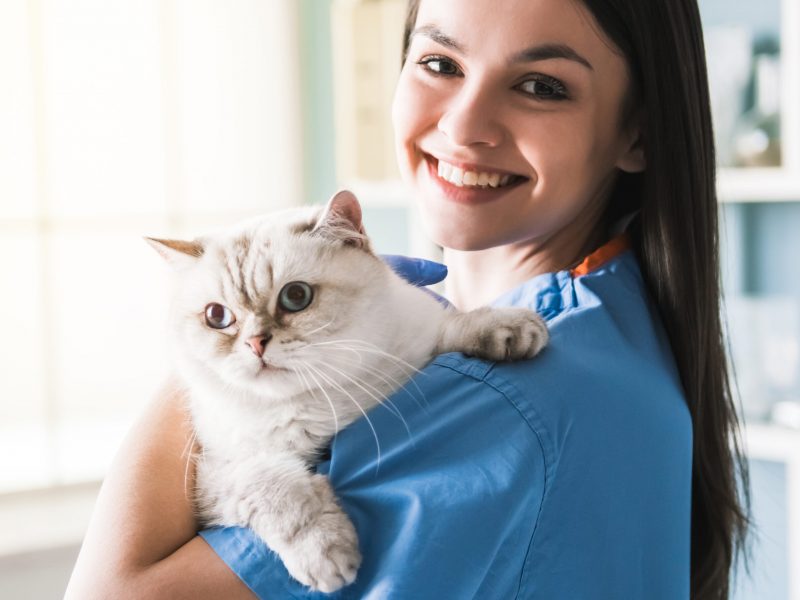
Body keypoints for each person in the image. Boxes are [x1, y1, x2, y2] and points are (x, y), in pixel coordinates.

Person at [65, 0, 750, 598]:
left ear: (638, 133)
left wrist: (205, 352)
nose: (465, 125)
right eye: (441, 64)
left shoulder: (502, 399)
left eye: (540, 85)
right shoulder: (613, 322)